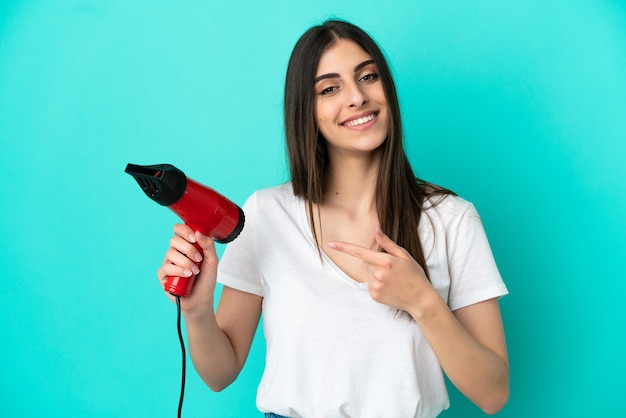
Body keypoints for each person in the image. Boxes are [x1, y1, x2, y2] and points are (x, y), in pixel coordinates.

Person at [157, 19, 509, 418]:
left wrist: (423, 302)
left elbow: (493, 393)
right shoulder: (263, 214)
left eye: (368, 76)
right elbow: (220, 374)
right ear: (306, 112)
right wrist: (197, 312)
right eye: (330, 88)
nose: (357, 97)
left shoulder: (451, 219)